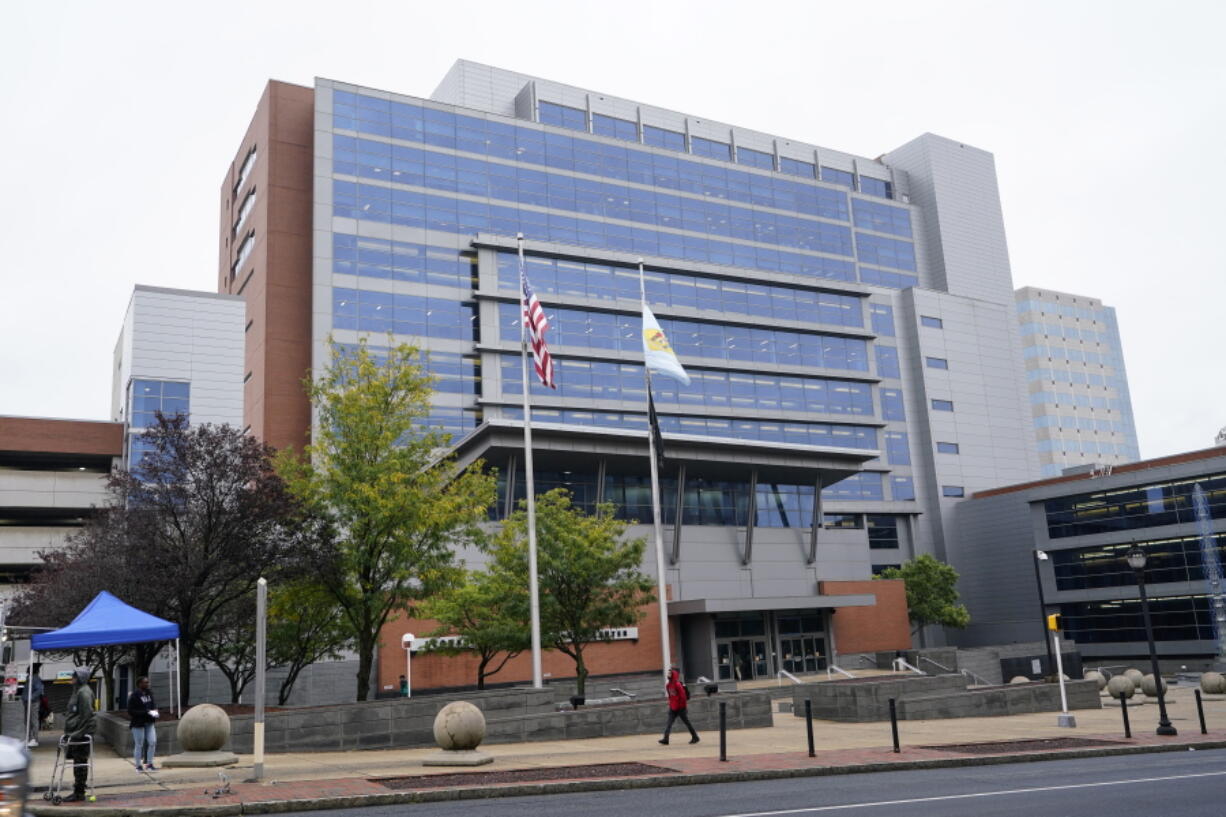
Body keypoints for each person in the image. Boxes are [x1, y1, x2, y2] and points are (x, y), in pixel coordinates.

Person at [62, 667, 96, 802]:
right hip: (75, 732)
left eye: (74, 676)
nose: (72, 678)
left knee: (80, 762)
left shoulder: (84, 693)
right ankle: (78, 789)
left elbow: (86, 715)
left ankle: (79, 792)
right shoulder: (77, 691)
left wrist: (77, 733)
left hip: (82, 733)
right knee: (77, 761)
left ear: (80, 678)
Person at [658, 667, 699, 745]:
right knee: (669, 723)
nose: (668, 674)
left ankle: (695, 737)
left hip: (680, 708)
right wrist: (671, 704)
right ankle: (666, 739)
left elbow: (683, 697)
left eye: (670, 673)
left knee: (687, 723)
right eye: (668, 673)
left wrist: (682, 707)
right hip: (673, 708)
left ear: (673, 675)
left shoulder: (677, 684)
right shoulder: (668, 685)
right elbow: (670, 696)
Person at [127, 676, 159, 771]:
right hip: (138, 723)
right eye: (145, 682)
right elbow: (130, 711)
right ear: (140, 684)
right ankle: (138, 765)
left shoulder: (149, 693)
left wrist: (155, 711)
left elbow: (153, 704)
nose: (147, 684)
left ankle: (149, 764)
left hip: (149, 722)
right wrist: (145, 712)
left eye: (148, 682)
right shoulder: (134, 695)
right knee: (139, 744)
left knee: (152, 742)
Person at [21, 663, 44, 748]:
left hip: (33, 702)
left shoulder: (35, 679)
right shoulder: (30, 678)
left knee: (33, 721)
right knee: (27, 721)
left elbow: (39, 690)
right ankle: (29, 738)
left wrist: (30, 697)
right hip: (28, 702)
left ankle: (34, 739)